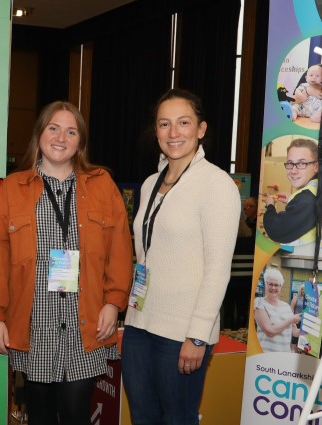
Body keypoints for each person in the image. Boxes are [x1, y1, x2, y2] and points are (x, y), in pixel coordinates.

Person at [0, 101, 133, 425]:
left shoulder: (102, 185)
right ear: (39, 134)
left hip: (86, 323)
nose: (61, 137)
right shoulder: (12, 189)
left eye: (71, 131)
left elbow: (120, 250)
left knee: (77, 413)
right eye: (53, 128)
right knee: (40, 416)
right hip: (36, 327)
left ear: (80, 142)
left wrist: (114, 303)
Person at [122, 88, 241, 424]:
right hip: (139, 324)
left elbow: (218, 269)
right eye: (164, 124)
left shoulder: (216, 184)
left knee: (178, 418)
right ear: (155, 131)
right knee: (142, 417)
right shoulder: (148, 184)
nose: (173, 133)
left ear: (200, 129)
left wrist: (198, 335)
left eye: (183, 122)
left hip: (182, 333)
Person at [263, 138, 319, 256]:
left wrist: (270, 206)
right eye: (290, 163)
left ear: (316, 166)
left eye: (302, 163)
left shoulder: (306, 199)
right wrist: (292, 199)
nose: (293, 171)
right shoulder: (314, 190)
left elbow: (275, 229)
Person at [254, 268, 300, 353]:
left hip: (284, 357)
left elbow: (295, 332)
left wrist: (311, 329)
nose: (273, 287)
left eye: (276, 285)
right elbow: (270, 331)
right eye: (270, 284)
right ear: (265, 284)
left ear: (281, 286)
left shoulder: (286, 306)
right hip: (266, 358)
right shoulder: (259, 303)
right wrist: (292, 319)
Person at [290, 283, 306, 352]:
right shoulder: (296, 298)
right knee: (295, 336)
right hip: (296, 320)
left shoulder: (307, 299)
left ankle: (300, 350)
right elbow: (291, 309)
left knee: (302, 337)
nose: (303, 290)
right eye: (302, 289)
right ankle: (293, 350)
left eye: (304, 289)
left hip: (304, 321)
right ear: (300, 290)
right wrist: (293, 321)